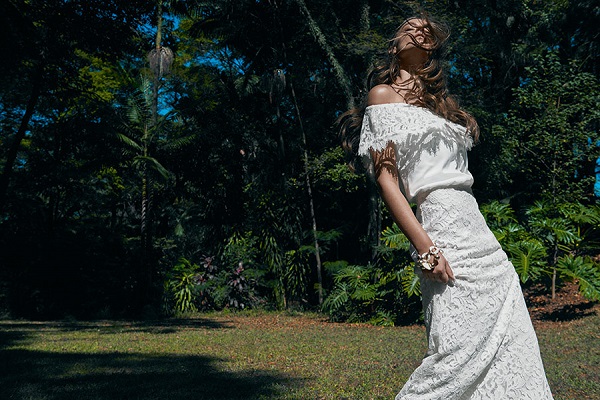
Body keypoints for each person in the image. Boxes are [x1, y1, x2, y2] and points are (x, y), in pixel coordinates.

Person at [341, 16, 554, 399]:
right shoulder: (383, 95)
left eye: (426, 27)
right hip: (441, 230)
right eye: (409, 25)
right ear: (394, 45)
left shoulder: (442, 106)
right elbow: (387, 181)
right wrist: (426, 248)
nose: (419, 29)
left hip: (481, 236)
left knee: (513, 344)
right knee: (453, 356)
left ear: (433, 47)